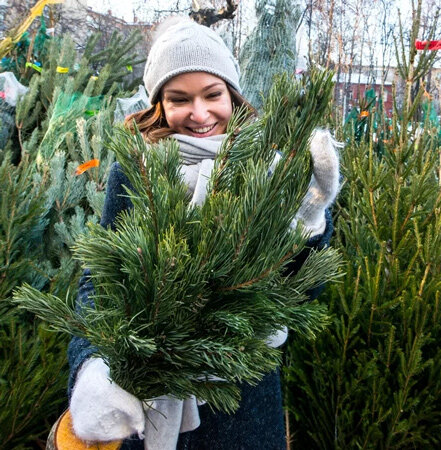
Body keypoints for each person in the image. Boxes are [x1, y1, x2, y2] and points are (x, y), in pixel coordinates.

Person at [65, 16, 339, 450]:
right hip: (147, 399)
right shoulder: (137, 169)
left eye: (212, 94)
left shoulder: (266, 169)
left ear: (232, 93)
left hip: (242, 405)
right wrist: (92, 366)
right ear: (159, 103)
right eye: (179, 99)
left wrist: (309, 223)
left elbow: (303, 294)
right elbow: (98, 281)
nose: (199, 113)